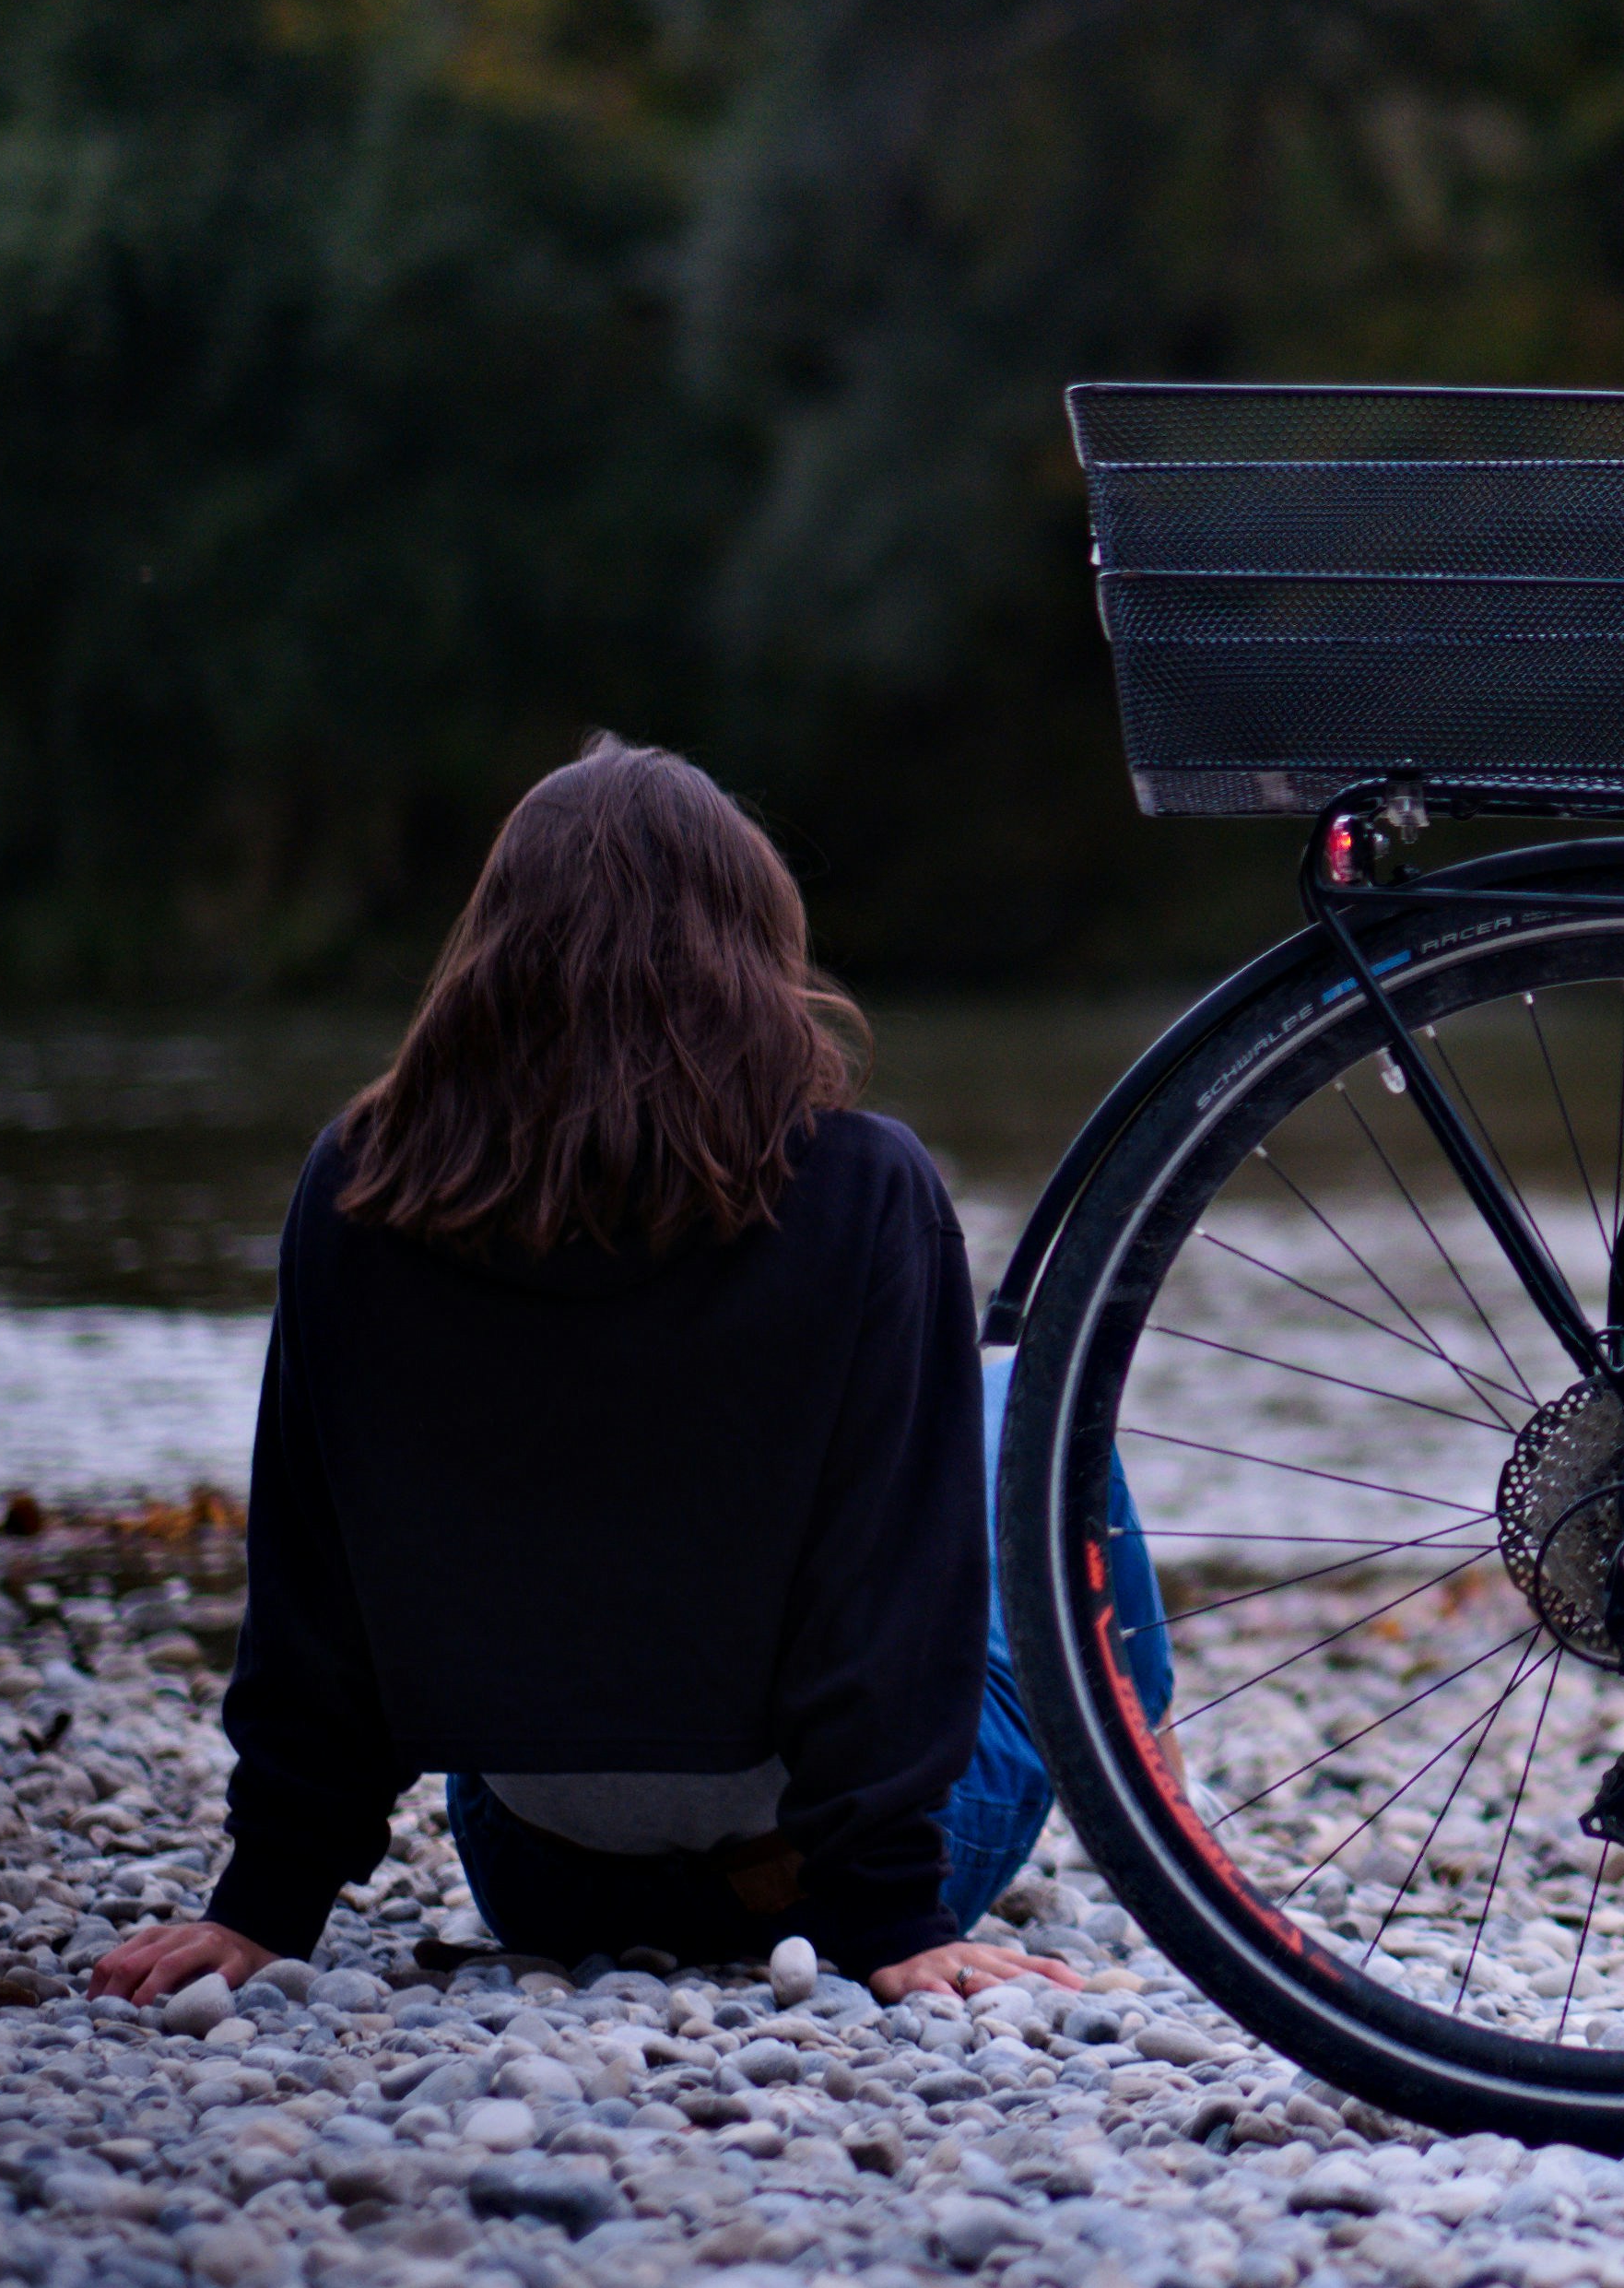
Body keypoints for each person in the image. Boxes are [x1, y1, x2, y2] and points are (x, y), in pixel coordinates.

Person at [86, 736, 1164, 2011]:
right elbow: (886, 1590)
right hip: (838, 1887)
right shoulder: (865, 1189)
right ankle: (1166, 1816)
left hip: (545, 1882)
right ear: (755, 957)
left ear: (490, 957)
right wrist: (893, 1921)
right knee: (1043, 1407)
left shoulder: (361, 1185)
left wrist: (266, 1904)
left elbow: (312, 1582)